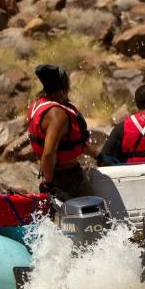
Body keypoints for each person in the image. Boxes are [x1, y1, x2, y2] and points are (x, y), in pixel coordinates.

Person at [27, 64, 92, 199]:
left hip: (53, 176)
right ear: (63, 88)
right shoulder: (58, 115)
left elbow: (67, 143)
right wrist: (49, 185)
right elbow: (49, 152)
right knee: (96, 214)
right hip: (68, 180)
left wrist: (97, 155)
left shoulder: (37, 105)